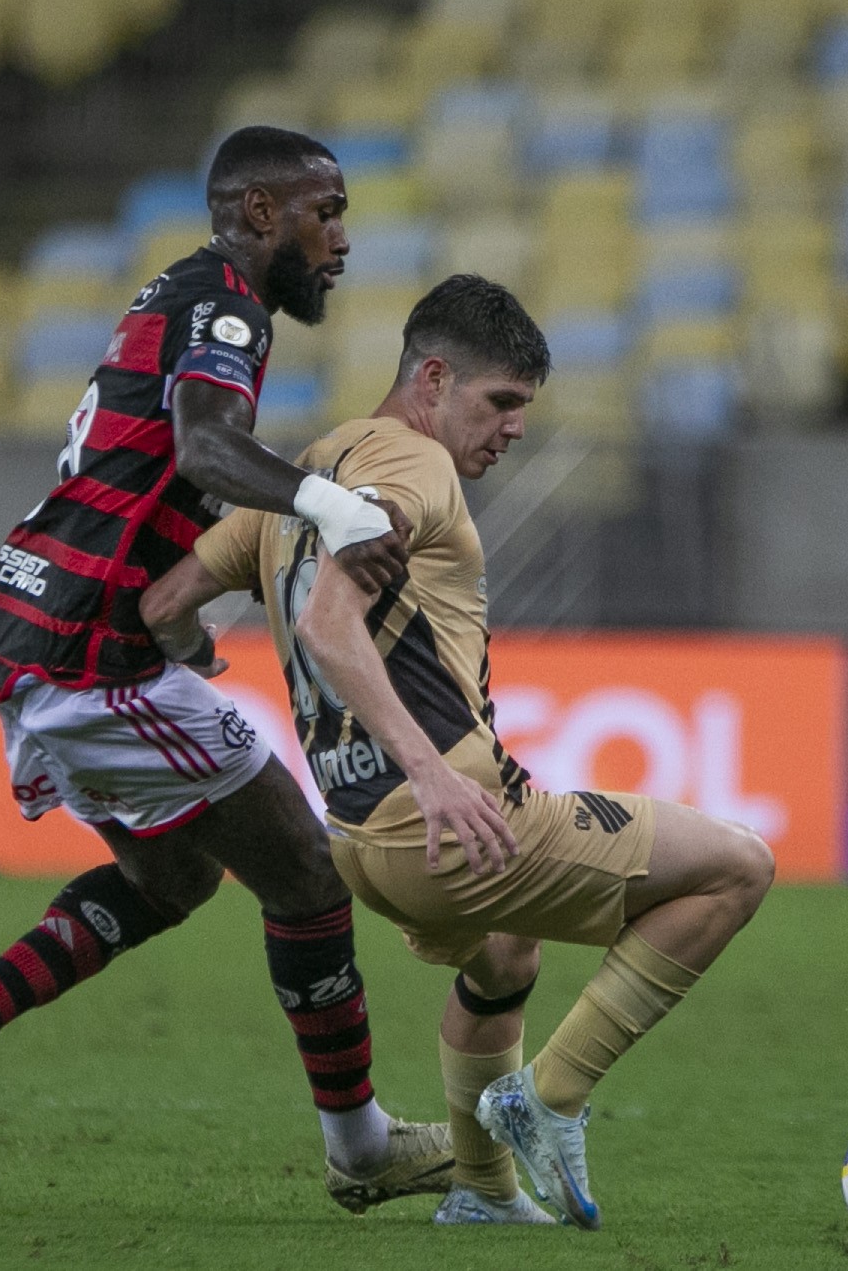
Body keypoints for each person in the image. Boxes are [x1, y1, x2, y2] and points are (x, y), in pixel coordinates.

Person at [0, 127, 453, 1214]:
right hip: (93, 658)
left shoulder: (185, 297)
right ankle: (362, 1147)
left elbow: (154, 474)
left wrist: (175, 619)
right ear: (260, 213)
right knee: (307, 877)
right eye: (326, 211)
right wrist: (327, 503)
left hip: (54, 632)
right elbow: (202, 446)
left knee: (173, 878)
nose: (343, 238)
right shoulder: (221, 304)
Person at [140, 275, 776, 1229]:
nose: (514, 428)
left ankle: (482, 1192)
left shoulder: (307, 472)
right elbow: (328, 620)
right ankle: (549, 1095)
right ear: (432, 379)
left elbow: (161, 603)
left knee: (507, 951)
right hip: (449, 817)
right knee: (736, 867)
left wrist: (192, 652)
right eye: (502, 402)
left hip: (359, 842)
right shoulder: (413, 467)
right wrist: (434, 775)